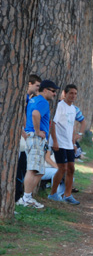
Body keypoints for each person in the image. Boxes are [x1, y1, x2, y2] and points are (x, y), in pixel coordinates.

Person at [22, 80, 59, 208]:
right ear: (45, 90)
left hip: (32, 137)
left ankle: (27, 196)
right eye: (53, 91)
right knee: (33, 170)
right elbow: (35, 114)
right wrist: (37, 131)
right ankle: (26, 198)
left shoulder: (33, 100)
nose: (54, 94)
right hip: (36, 138)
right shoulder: (43, 102)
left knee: (40, 171)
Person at [16, 74, 42, 204]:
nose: (39, 88)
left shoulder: (30, 98)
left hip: (25, 134)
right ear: (29, 84)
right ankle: (19, 196)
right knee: (22, 164)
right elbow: (21, 114)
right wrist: (23, 130)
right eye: (37, 85)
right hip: (22, 134)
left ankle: (21, 194)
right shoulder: (24, 97)